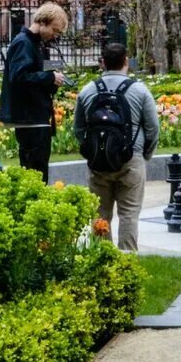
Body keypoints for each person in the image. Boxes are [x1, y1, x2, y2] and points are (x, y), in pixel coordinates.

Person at [73, 43, 161, 253]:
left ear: (102, 63)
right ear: (126, 61)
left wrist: (93, 151)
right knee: (129, 213)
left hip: (98, 163)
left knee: (100, 213)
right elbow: (153, 128)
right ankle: (128, 260)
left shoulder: (88, 90)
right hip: (131, 158)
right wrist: (144, 154)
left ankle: (103, 258)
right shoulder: (139, 90)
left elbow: (78, 129)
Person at [0, 1, 70, 181]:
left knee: (36, 171)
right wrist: (50, 77)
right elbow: (19, 76)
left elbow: (36, 72)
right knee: (36, 172)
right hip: (30, 117)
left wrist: (54, 77)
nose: (55, 36)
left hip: (35, 115)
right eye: (55, 30)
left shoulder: (36, 44)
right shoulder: (24, 43)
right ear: (43, 22)